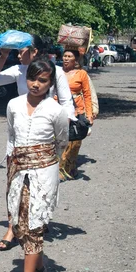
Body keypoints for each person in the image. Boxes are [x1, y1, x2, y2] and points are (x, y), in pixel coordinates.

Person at [0, 32, 74, 251]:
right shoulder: (18, 70)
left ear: (34, 51)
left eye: (22, 50)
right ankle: (12, 227)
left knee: (40, 188)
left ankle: (38, 224)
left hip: (44, 138)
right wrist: (2, 55)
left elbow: (66, 103)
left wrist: (61, 133)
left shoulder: (55, 72)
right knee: (13, 185)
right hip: (19, 139)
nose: (18, 56)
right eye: (15, 52)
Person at [5, 58, 69, 272]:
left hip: (44, 174)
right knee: (19, 227)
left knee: (34, 226)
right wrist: (15, 162)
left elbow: (61, 141)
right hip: (18, 171)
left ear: (50, 83)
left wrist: (42, 160)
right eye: (32, 78)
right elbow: (12, 135)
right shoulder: (13, 105)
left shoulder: (56, 110)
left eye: (42, 80)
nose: (35, 84)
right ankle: (40, 268)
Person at [59, 49, 93, 180]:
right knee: (59, 139)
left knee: (75, 140)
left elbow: (87, 95)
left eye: (69, 56)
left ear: (75, 59)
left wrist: (89, 114)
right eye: (65, 56)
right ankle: (59, 169)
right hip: (59, 109)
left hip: (77, 111)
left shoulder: (81, 74)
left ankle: (70, 167)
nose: (66, 58)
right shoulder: (58, 72)